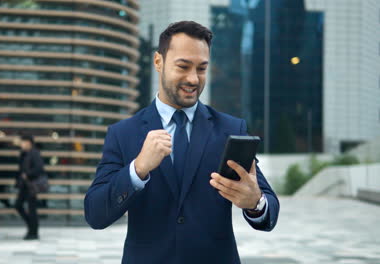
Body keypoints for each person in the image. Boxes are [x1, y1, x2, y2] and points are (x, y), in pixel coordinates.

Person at [84, 21, 280, 263]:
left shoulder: (231, 129)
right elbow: (95, 214)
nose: (193, 79)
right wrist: (137, 169)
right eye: (183, 66)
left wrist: (255, 202)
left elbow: (270, 210)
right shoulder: (123, 133)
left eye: (201, 68)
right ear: (158, 62)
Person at [15, 134, 44, 240]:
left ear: (28, 143)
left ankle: (33, 232)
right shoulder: (24, 153)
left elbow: (39, 168)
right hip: (24, 185)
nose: (21, 144)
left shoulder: (35, 153)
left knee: (32, 209)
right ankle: (31, 227)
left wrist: (28, 174)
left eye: (23, 142)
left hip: (31, 185)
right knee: (18, 205)